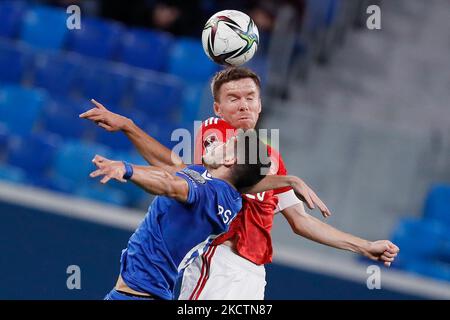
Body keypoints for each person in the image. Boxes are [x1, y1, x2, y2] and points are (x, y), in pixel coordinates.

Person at [80, 67, 399, 300]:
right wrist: (289, 179)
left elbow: (300, 221)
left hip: (253, 273)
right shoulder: (216, 133)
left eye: (250, 97)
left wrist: (362, 245)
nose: (243, 105)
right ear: (218, 108)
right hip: (218, 262)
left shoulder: (265, 156)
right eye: (233, 99)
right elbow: (214, 179)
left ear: (261, 105)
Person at [93, 130, 308, 300]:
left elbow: (169, 184)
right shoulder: (220, 190)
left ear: (230, 159)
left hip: (139, 294)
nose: (217, 143)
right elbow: (169, 169)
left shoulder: (209, 193)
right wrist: (127, 126)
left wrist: (127, 169)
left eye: (226, 144)